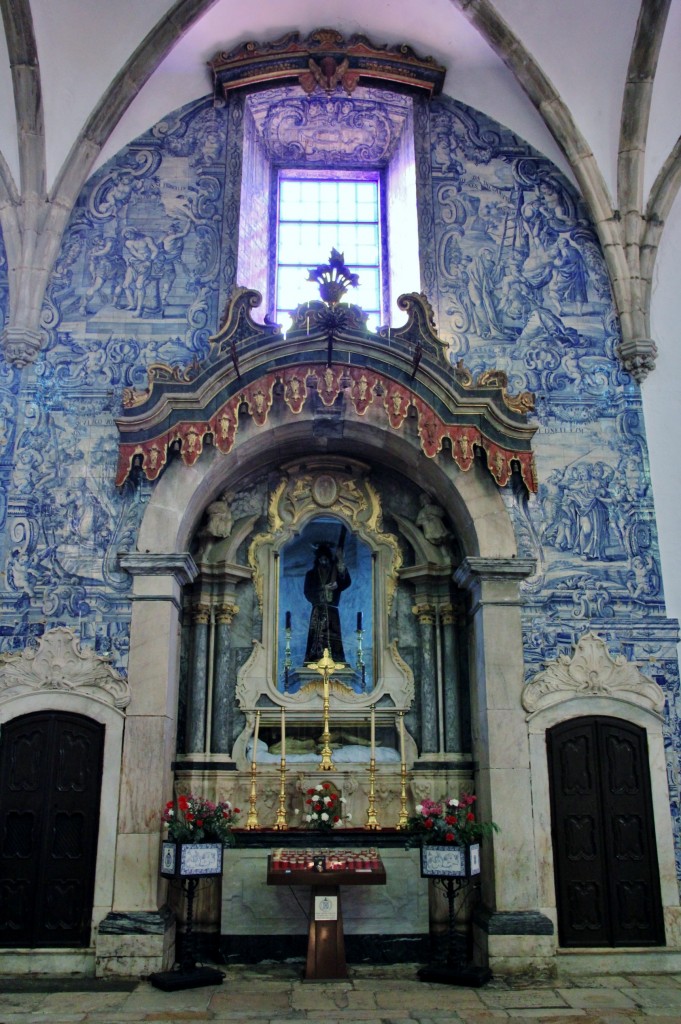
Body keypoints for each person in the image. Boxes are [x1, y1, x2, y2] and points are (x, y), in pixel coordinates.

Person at [304, 543, 351, 663]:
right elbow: (308, 592)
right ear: (318, 559)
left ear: (329, 558)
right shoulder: (311, 574)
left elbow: (345, 582)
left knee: (333, 637)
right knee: (317, 636)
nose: (323, 561)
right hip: (318, 611)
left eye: (326, 559)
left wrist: (340, 562)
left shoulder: (334, 572)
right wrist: (323, 588)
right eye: (321, 559)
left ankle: (336, 659)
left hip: (332, 611)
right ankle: (315, 659)